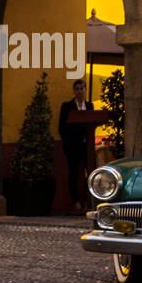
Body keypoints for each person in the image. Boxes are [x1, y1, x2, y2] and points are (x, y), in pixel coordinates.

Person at [58, 79, 92, 210]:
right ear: (74, 90)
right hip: (72, 145)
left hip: (86, 145)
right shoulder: (66, 106)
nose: (79, 91)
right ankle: (76, 201)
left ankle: (87, 200)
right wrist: (67, 143)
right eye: (77, 89)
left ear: (85, 90)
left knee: (88, 173)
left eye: (82, 89)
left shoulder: (89, 106)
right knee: (73, 173)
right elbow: (61, 127)